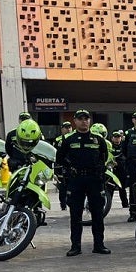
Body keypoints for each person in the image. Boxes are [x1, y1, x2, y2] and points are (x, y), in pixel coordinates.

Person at [55, 110, 111, 256]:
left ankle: (99, 245)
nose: (84, 121)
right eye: (80, 119)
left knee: (97, 214)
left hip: (94, 180)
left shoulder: (98, 139)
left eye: (86, 118)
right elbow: (60, 159)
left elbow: (103, 157)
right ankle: (75, 246)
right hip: (76, 180)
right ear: (75, 121)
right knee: (75, 215)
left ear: (90, 121)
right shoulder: (68, 140)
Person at [53, 120, 74, 210]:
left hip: (72, 166)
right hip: (61, 166)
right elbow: (55, 154)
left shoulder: (74, 138)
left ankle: (72, 204)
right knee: (63, 187)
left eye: (69, 127)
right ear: (62, 129)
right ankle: (63, 205)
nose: (68, 129)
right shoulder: (58, 140)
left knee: (73, 186)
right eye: (66, 127)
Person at [109, 130, 129, 208]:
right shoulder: (110, 146)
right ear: (112, 138)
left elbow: (126, 158)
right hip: (112, 171)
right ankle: (108, 205)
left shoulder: (123, 147)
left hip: (121, 171)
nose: (117, 139)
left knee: (122, 189)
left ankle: (125, 205)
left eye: (118, 137)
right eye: (115, 137)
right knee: (110, 189)